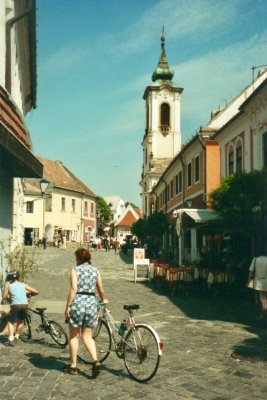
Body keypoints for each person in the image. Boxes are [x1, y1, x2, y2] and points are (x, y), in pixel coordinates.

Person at [64, 248, 108, 377]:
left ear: (78, 259)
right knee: (87, 336)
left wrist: (68, 306)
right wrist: (103, 298)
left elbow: (73, 288)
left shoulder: (75, 270)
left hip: (78, 303)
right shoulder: (96, 270)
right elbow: (100, 288)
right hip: (91, 304)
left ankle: (73, 366)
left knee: (74, 336)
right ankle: (96, 361)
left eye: (76, 258)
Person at [2, 271, 39, 346]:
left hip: (15, 305)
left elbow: (4, 297)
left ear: (10, 279)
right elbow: (36, 291)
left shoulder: (10, 286)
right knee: (21, 321)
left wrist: (10, 300)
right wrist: (29, 294)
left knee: (10, 321)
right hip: (25, 304)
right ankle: (17, 335)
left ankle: (11, 338)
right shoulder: (23, 285)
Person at [248, 255, 267, 326]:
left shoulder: (255, 259)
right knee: (265, 298)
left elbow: (250, 272)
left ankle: (262, 315)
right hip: (266, 281)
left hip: (258, 282)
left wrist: (248, 281)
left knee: (261, 298)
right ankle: (263, 314)